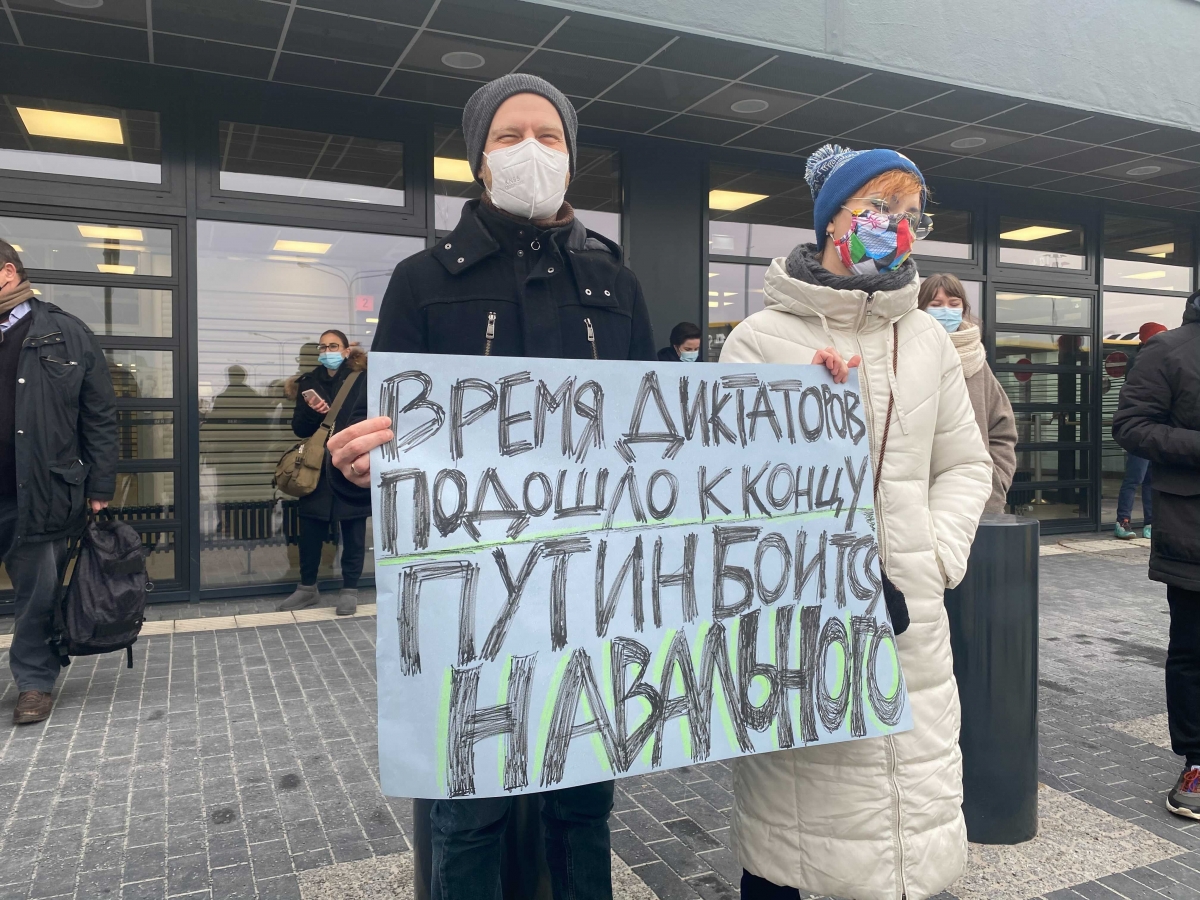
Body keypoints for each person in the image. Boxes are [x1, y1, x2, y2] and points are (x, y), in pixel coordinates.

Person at [326, 74, 656, 900]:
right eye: (509, 136)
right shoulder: (421, 280)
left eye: (548, 136)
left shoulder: (616, 285)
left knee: (583, 805)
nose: (530, 151)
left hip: (589, 592)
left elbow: (663, 435)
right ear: (479, 159)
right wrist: (359, 462)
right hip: (465, 606)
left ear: (571, 160)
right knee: (466, 810)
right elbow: (375, 435)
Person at [719, 145, 992, 899]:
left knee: (906, 828)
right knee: (796, 840)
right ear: (831, 221)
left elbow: (965, 463)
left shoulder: (929, 341)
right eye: (880, 211)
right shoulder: (759, 340)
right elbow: (724, 491)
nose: (898, 230)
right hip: (801, 625)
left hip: (912, 618)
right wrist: (799, 415)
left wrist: (937, 555)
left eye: (912, 216)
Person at [0, 239, 117, 725]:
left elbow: (100, 415)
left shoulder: (65, 333)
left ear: (6, 272)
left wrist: (99, 487)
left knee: (37, 594)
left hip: (39, 491)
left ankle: (34, 682)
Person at [1113, 293, 1200, 821]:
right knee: (1193, 653)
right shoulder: (1168, 350)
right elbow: (1131, 425)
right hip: (1193, 530)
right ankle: (1196, 762)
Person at [277, 330, 367, 617]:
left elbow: (369, 416)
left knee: (353, 527)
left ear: (345, 350)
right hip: (315, 466)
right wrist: (315, 413)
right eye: (323, 346)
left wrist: (342, 424)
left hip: (350, 462)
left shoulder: (362, 379)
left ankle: (349, 589)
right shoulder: (309, 383)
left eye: (333, 345)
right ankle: (307, 588)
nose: (327, 350)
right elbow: (299, 429)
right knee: (311, 528)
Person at [918, 273, 1016, 513]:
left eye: (954, 304)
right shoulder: (902, 356)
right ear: (920, 308)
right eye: (936, 304)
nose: (946, 311)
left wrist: (994, 485)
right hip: (913, 501)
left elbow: (1002, 430)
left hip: (972, 503)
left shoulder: (976, 362)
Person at [1114, 322, 1167, 539]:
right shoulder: (1139, 361)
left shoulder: (1159, 358)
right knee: (1135, 477)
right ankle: (1122, 521)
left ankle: (1150, 522)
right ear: (1148, 339)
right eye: (1160, 336)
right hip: (1140, 429)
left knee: (1150, 479)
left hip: (1156, 428)